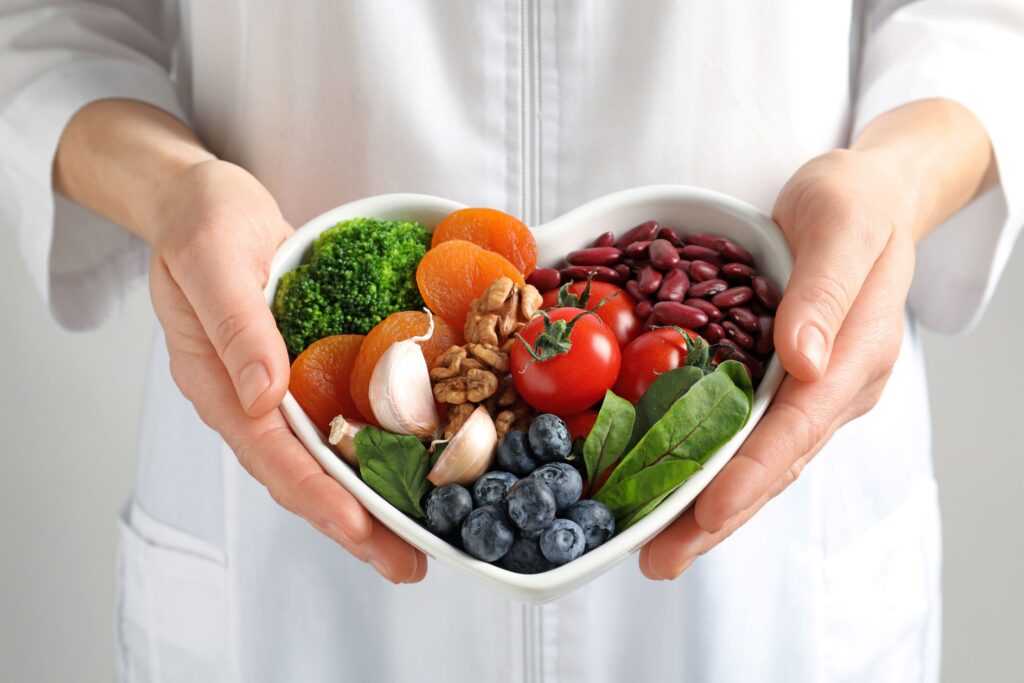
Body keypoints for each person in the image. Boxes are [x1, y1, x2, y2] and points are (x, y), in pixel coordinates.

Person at [2, 1, 1021, 681]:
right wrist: (175, 188)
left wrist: (894, 181)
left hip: (761, 562)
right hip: (301, 517)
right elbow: (49, 25)